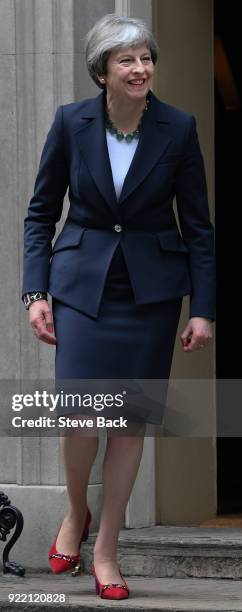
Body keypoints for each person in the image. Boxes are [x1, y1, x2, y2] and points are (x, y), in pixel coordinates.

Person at [22, 13, 215, 601]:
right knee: (81, 415)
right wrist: (36, 292)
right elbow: (40, 214)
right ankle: (76, 514)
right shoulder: (69, 123)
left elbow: (200, 229)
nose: (140, 69)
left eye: (146, 58)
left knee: (128, 424)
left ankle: (106, 549)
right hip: (80, 285)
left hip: (150, 293)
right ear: (101, 71)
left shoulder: (178, 129)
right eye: (126, 60)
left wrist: (203, 309)